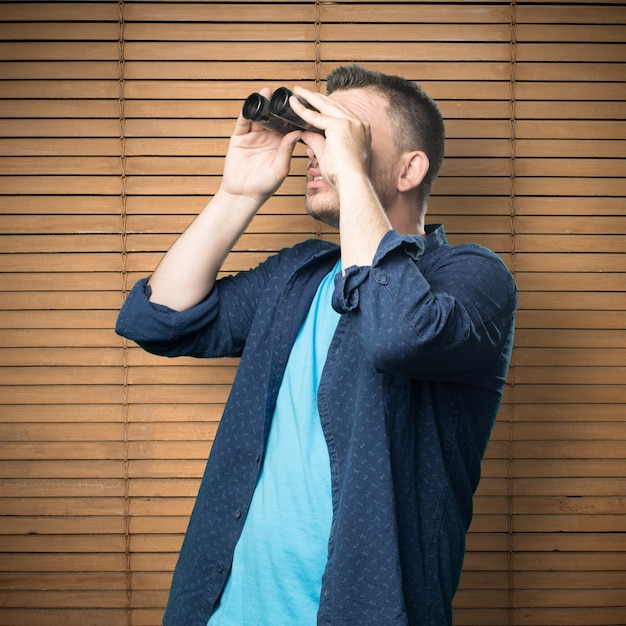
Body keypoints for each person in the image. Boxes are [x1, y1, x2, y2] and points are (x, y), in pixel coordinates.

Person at [116, 64, 517, 626]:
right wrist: (237, 193)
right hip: (221, 608)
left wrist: (349, 173)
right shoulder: (300, 273)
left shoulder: (472, 277)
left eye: (342, 131)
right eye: (316, 132)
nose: (318, 149)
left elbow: (396, 333)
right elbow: (158, 320)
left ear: (410, 168)